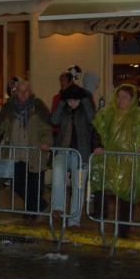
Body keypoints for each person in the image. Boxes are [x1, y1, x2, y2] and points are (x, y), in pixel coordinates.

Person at [0, 80, 53, 225]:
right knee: (18, 184)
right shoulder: (9, 108)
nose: (23, 94)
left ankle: (30, 215)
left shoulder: (39, 108)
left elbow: (46, 128)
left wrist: (47, 142)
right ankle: (40, 206)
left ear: (31, 92)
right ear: (15, 91)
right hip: (16, 155)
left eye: (26, 91)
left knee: (35, 186)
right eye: (20, 90)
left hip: (35, 155)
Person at [91, 85, 140, 238]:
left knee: (127, 195)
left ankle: (124, 229)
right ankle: (101, 213)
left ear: (132, 99)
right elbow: (97, 131)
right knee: (100, 183)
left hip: (130, 162)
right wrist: (97, 146)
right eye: (119, 96)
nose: (121, 99)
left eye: (125, 96)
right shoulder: (107, 114)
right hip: (109, 158)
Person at [50, 84, 96, 232]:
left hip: (81, 152)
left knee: (78, 186)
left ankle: (74, 220)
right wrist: (62, 101)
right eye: (70, 100)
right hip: (63, 149)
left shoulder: (85, 109)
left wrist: (85, 99)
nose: (72, 103)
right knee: (57, 170)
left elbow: (93, 119)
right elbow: (54, 120)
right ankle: (58, 207)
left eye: (75, 100)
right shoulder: (64, 109)